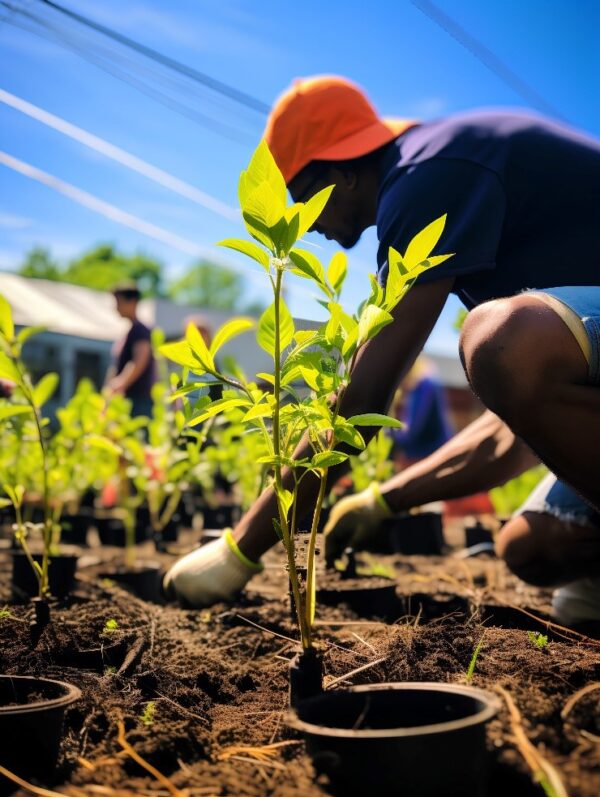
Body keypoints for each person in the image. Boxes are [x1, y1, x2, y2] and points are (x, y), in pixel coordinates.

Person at [164, 75, 600, 627]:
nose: (305, 228)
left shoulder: (427, 174)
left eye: (304, 203)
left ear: (344, 173)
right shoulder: (437, 172)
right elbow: (515, 434)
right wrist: (386, 500)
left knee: (499, 339)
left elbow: (363, 397)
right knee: (531, 548)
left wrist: (241, 548)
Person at [105, 283, 156, 418]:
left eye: (119, 302)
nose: (116, 307)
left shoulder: (140, 330)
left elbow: (139, 360)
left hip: (138, 400)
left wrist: (120, 383)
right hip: (131, 399)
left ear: (132, 302)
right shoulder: (132, 331)